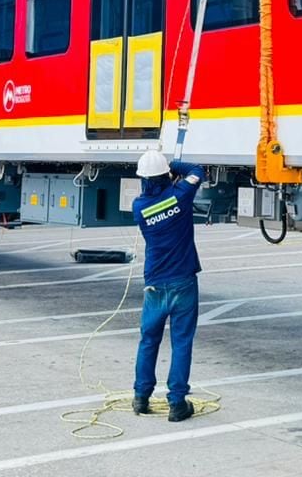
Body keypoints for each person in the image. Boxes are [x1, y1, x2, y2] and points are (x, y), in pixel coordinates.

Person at [132, 149, 206, 422]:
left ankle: (141, 398)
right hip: (183, 281)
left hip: (154, 284)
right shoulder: (180, 196)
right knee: (181, 342)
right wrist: (173, 164)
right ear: (166, 175)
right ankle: (177, 403)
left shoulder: (138, 207)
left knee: (148, 341)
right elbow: (197, 170)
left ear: (142, 179)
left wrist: (165, 170)